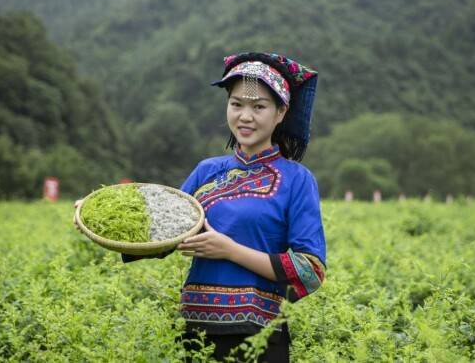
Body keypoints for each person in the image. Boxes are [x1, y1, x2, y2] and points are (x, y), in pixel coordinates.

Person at [102, 52, 326, 362]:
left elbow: (310, 270)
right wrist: (99, 214)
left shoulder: (297, 179)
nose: (245, 116)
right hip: (195, 330)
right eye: (236, 105)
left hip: (260, 338)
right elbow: (161, 235)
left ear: (280, 113)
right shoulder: (207, 171)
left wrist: (230, 250)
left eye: (259, 106)